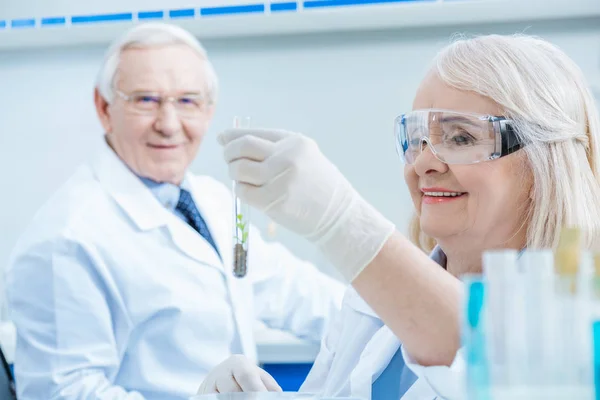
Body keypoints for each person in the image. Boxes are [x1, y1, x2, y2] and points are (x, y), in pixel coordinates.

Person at [199, 34, 600, 399]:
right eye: (415, 138)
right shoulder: (368, 303)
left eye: (460, 137)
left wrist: (344, 223)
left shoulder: (578, 316)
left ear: (544, 161)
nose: (423, 162)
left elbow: (494, 362)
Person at [4, 22, 345, 400]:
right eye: (146, 100)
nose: (168, 125)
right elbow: (64, 394)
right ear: (104, 108)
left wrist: (397, 311)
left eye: (187, 101)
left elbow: (297, 292)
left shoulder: (210, 202)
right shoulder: (64, 240)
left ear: (209, 110)